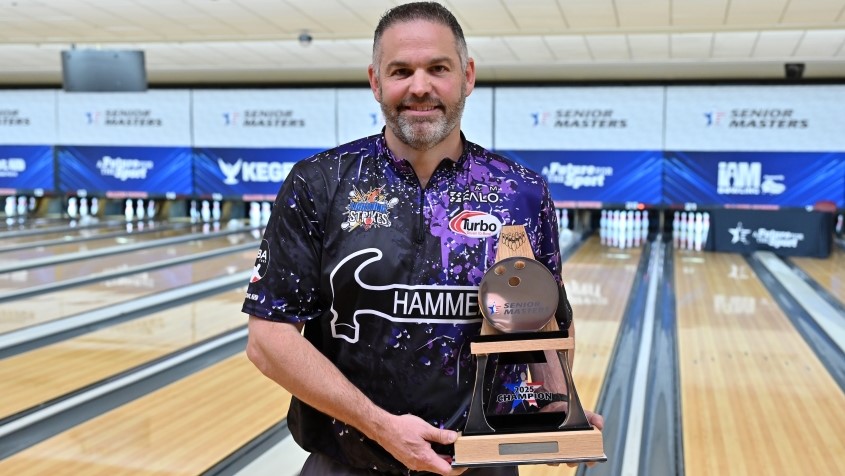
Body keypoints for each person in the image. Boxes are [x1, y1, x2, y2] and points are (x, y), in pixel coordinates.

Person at [242, 2, 603, 475]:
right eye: (400, 71)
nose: (419, 86)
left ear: (467, 76)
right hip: (348, 466)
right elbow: (267, 339)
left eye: (438, 68)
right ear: (375, 81)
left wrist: (551, 409)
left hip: (482, 466)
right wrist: (381, 426)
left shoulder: (520, 192)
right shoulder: (319, 184)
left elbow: (545, 322)